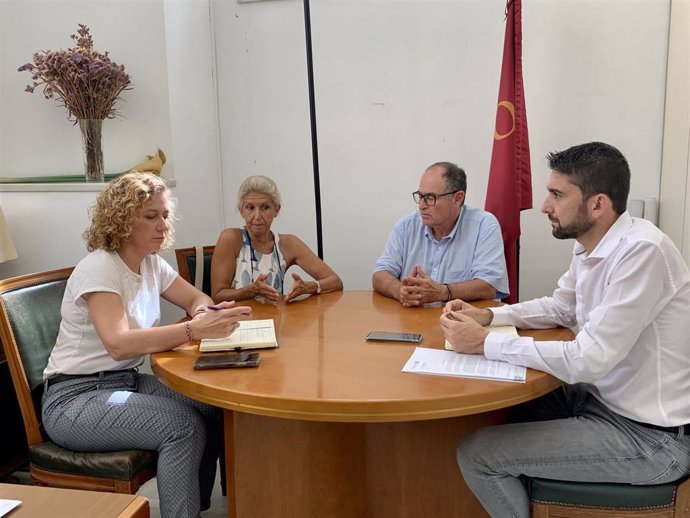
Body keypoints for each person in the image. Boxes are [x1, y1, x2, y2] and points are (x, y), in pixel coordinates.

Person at [441, 142, 690, 518]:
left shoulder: (643, 252)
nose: (544, 206)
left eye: (557, 195)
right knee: (509, 403)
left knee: (478, 454)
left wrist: (485, 344)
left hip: (650, 438)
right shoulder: (592, 243)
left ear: (597, 204)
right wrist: (490, 317)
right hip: (602, 402)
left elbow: (588, 359)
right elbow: (561, 306)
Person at [42, 172, 251, 518]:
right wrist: (194, 331)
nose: (162, 226)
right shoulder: (99, 268)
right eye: (150, 216)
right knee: (182, 426)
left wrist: (205, 313)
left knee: (212, 407)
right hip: (73, 398)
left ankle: (192, 508)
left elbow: (196, 298)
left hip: (124, 382)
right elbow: (119, 345)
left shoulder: (151, 263)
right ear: (122, 219)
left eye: (165, 216)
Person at [372, 161, 509, 306]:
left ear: (458, 198)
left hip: (461, 322)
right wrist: (400, 291)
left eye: (430, 197)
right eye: (420, 196)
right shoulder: (406, 226)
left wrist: (443, 292)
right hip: (413, 321)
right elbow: (380, 274)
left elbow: (490, 286)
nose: (422, 205)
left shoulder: (483, 225)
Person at [211, 175, 343, 303]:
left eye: (265, 207)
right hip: (238, 322)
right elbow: (217, 296)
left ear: (277, 210)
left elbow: (335, 281)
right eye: (250, 207)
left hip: (277, 322)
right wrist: (250, 291)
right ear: (241, 210)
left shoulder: (287, 244)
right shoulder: (231, 239)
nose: (257, 216)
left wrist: (309, 287)